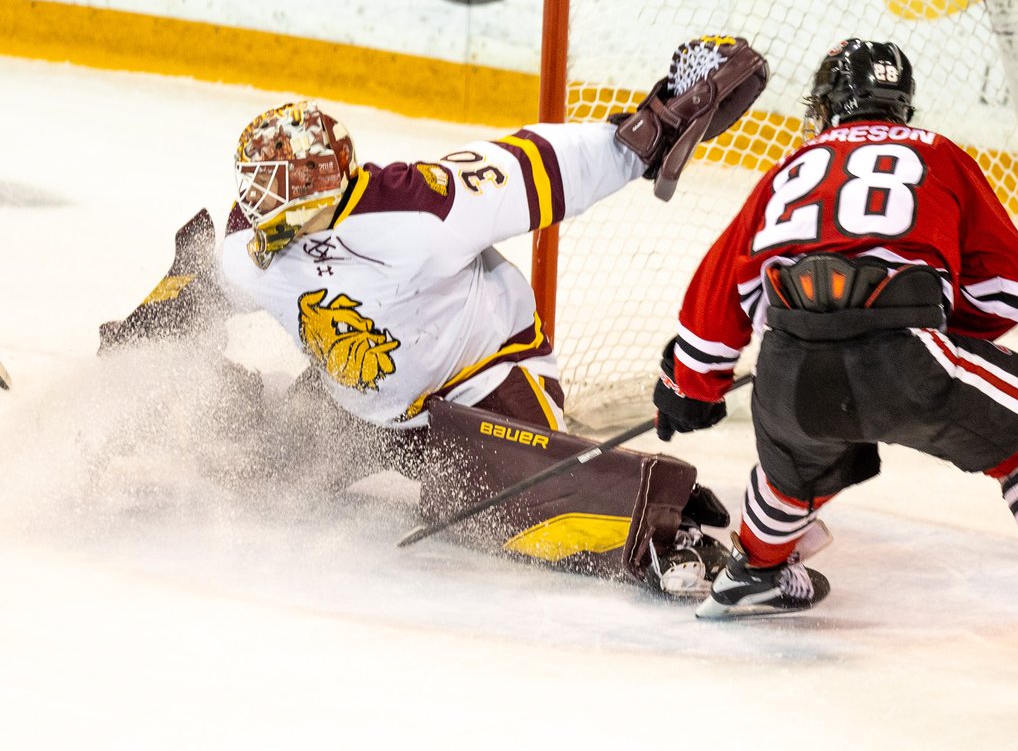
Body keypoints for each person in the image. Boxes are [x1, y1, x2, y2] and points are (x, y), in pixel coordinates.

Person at [99, 36, 769, 596]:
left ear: (324, 184)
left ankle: (666, 521)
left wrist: (655, 127)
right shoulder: (252, 251)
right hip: (360, 412)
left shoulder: (424, 208)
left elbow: (546, 164)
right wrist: (134, 353)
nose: (259, 206)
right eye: (256, 187)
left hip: (481, 382)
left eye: (279, 189)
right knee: (256, 469)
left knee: (501, 511)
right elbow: (194, 291)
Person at [651, 38, 1018, 675]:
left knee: (793, 462)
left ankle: (753, 572)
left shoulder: (788, 168)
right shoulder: (940, 155)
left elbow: (720, 298)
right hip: (911, 359)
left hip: (793, 367)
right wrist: (934, 327)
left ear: (826, 105)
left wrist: (693, 387)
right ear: (901, 104)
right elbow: (1011, 285)